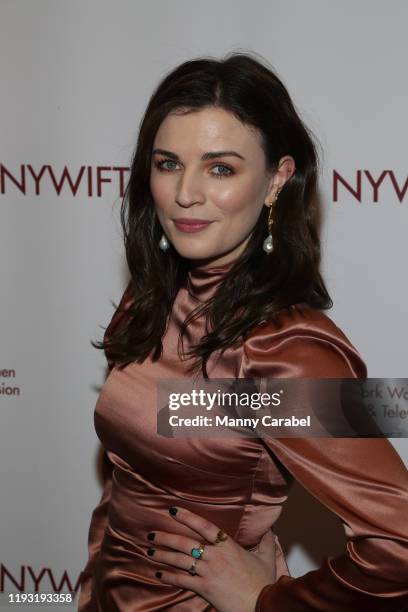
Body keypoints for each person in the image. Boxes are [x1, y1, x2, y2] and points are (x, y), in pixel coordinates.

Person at [77, 52, 408, 611]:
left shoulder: (285, 354)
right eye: (167, 163)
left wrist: (266, 601)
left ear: (278, 178)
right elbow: (130, 485)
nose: (185, 193)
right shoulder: (153, 296)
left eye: (221, 168)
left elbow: (398, 544)